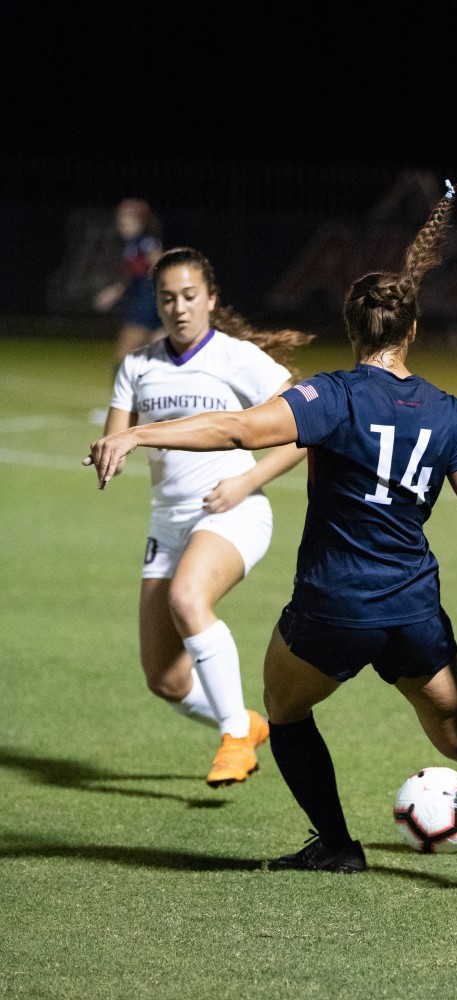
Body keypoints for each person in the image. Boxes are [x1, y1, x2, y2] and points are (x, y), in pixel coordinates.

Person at [85, 173, 457, 873]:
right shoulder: (448, 411)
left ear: (353, 330)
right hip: (413, 607)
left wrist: (142, 435)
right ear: (412, 330)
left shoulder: (331, 396)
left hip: (334, 605)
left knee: (282, 712)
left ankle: (338, 847)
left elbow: (238, 430)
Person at [88, 245, 314, 788]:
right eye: (167, 299)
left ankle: (235, 735)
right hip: (168, 526)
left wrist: (246, 480)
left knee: (189, 599)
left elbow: (310, 427)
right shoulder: (139, 365)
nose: (179, 308)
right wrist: (108, 455)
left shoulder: (236, 358)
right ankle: (247, 725)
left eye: (190, 296)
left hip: (234, 513)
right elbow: (118, 434)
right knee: (164, 678)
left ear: (210, 299)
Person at [90, 199, 165, 425]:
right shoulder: (131, 244)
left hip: (149, 305)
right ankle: (140, 410)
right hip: (145, 303)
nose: (121, 223)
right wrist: (113, 292)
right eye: (120, 218)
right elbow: (134, 276)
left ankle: (121, 412)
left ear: (140, 221)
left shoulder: (147, 242)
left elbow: (160, 268)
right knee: (147, 361)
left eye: (126, 218)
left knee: (126, 359)